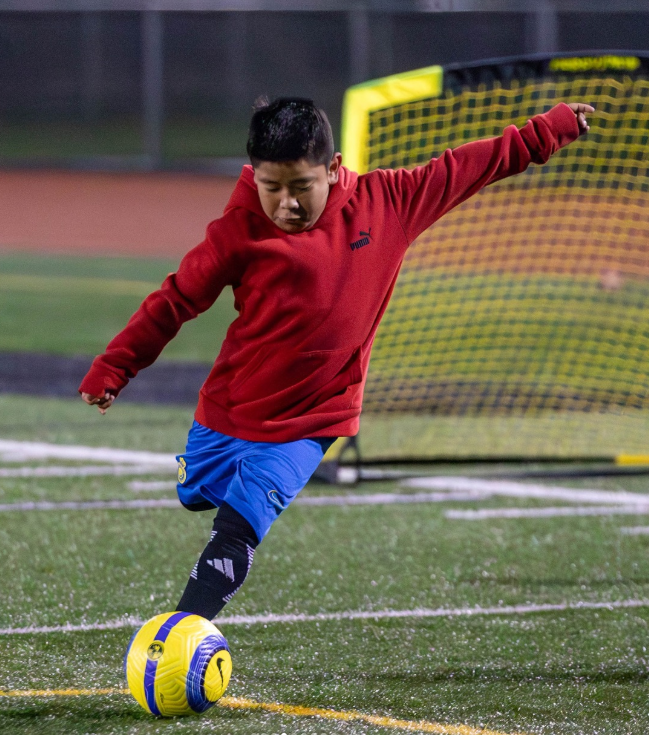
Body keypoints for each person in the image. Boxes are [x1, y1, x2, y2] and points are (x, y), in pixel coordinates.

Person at [80, 97, 593, 620]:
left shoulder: (388, 203)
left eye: (302, 187)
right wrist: (114, 368)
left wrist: (544, 132)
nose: (286, 204)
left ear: (333, 167)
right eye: (271, 188)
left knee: (240, 522)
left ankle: (181, 633)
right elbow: (175, 301)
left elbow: (464, 167)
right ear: (253, 176)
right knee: (197, 493)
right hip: (231, 408)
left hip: (315, 418)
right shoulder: (238, 230)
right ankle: (207, 502)